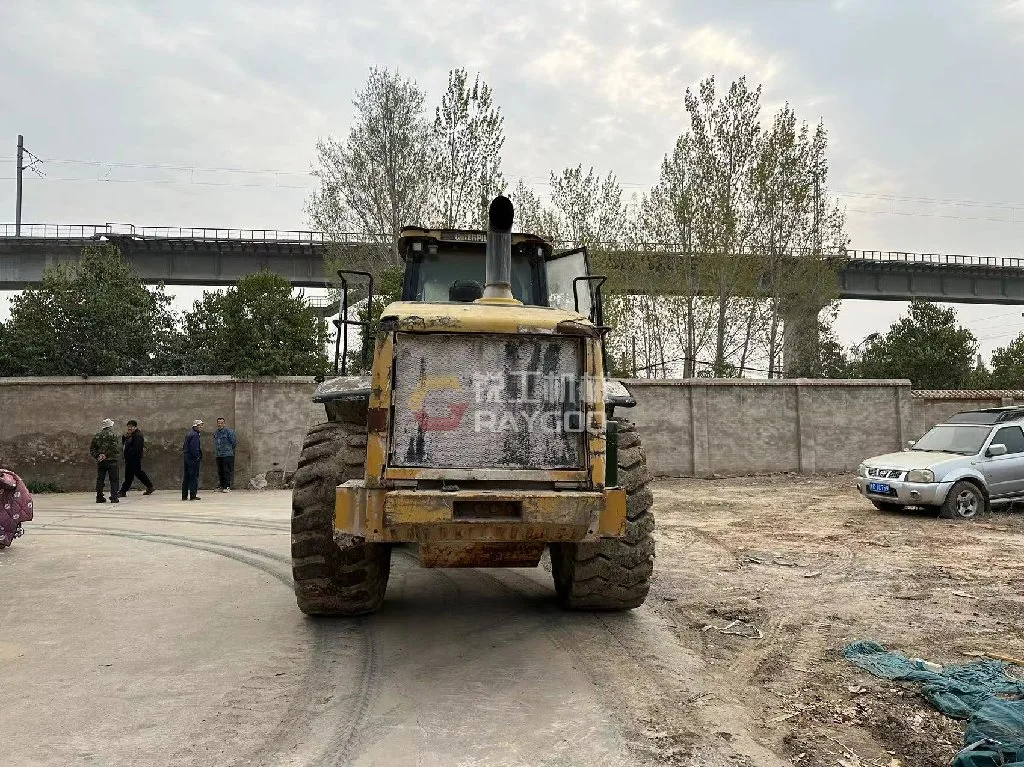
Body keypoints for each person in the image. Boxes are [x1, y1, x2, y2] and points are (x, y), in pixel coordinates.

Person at [0, 466, 33, 549]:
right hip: (7, 506)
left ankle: (2, 541)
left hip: (9, 505)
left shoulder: (7, 476)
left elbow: (10, 484)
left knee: (5, 523)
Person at [120, 420, 155, 496]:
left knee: (135, 474)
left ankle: (123, 491)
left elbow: (136, 448)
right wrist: (124, 437)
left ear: (135, 427)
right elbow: (125, 444)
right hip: (130, 459)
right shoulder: (130, 435)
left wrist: (129, 456)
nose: (129, 428)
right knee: (131, 475)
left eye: (131, 427)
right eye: (128, 427)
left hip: (134, 459)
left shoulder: (137, 435)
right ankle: (123, 491)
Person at [90, 418, 121, 504]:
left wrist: (98, 456)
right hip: (112, 461)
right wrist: (106, 455)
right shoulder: (113, 435)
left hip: (101, 462)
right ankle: (114, 497)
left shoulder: (97, 435)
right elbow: (115, 448)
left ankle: (99, 497)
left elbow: (92, 449)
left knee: (100, 479)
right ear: (110, 425)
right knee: (114, 479)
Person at [182, 419, 203, 502]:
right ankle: (193, 495)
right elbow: (194, 448)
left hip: (187, 457)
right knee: (193, 476)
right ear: (196, 426)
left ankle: (184, 495)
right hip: (192, 458)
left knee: (186, 476)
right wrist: (197, 456)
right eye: (200, 425)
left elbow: (184, 446)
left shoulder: (189, 433)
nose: (201, 427)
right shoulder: (195, 435)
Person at [214, 417, 237, 493]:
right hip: (219, 455)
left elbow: (233, 443)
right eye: (219, 423)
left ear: (224, 424)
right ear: (217, 424)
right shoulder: (216, 432)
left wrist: (228, 449)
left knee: (226, 471)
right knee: (220, 471)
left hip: (227, 455)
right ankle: (221, 486)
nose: (220, 424)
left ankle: (227, 486)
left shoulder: (229, 432)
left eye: (222, 423)